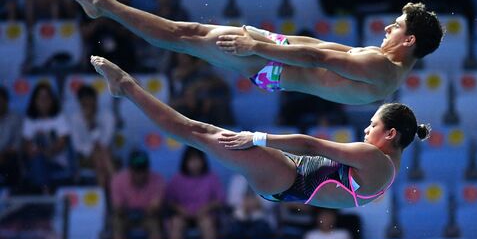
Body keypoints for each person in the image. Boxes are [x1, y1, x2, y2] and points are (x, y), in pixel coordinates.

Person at [90, 56, 430, 209]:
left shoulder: (376, 159)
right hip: (290, 176)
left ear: (391, 134)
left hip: (290, 177)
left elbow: (311, 143)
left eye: (373, 124)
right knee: (199, 132)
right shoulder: (390, 170)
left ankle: (127, 88)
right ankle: (127, 88)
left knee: (197, 132)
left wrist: (258, 138)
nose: (367, 128)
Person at [59, 0, 444, 105]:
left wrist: (258, 47)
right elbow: (319, 48)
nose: (386, 30)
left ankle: (103, 6)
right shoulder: (387, 69)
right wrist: (271, 39)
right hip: (276, 59)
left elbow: (314, 58)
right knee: (184, 37)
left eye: (394, 27)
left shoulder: (382, 68)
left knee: (182, 36)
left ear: (409, 39)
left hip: (271, 62)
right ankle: (104, 8)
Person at [165, 147, 224, 239]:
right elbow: (169, 201)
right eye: (191, 160)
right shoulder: (177, 179)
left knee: (207, 224)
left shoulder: (211, 177)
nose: (195, 164)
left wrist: (206, 208)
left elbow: (220, 200)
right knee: (176, 223)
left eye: (197, 160)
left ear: (203, 161)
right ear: (185, 162)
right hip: (183, 215)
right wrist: (180, 209)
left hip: (205, 215)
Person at [111, 150, 165, 239]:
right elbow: (117, 207)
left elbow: (154, 207)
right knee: (117, 223)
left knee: (154, 225)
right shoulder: (118, 180)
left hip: (147, 216)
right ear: (130, 169)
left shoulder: (158, 180)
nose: (140, 174)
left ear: (148, 169)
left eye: (143, 170)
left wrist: (145, 210)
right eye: (136, 170)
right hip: (125, 216)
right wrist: (126, 211)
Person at [22, 83, 71, 193]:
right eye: (40, 98)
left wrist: (45, 151)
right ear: (34, 100)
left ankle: (42, 193)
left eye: (46, 98)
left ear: (52, 100)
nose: (43, 101)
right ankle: (46, 192)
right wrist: (39, 152)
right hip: (37, 160)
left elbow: (62, 142)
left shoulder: (60, 118)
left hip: (56, 161)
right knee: (37, 160)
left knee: (38, 160)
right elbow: (27, 146)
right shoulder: (30, 119)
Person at [68, 85, 115, 190]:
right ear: (79, 102)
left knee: (99, 159)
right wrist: (91, 149)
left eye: (90, 101)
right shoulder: (75, 118)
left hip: (104, 153)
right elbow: (77, 145)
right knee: (100, 156)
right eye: (84, 102)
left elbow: (105, 142)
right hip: (85, 157)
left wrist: (91, 123)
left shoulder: (108, 116)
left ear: (96, 100)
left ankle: (104, 196)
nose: (88, 105)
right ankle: (117, 190)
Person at [0, 86, 23, 187]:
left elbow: (17, 144)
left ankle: (12, 195)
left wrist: (3, 154)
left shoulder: (16, 118)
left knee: (13, 160)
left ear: (6, 101)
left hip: (8, 156)